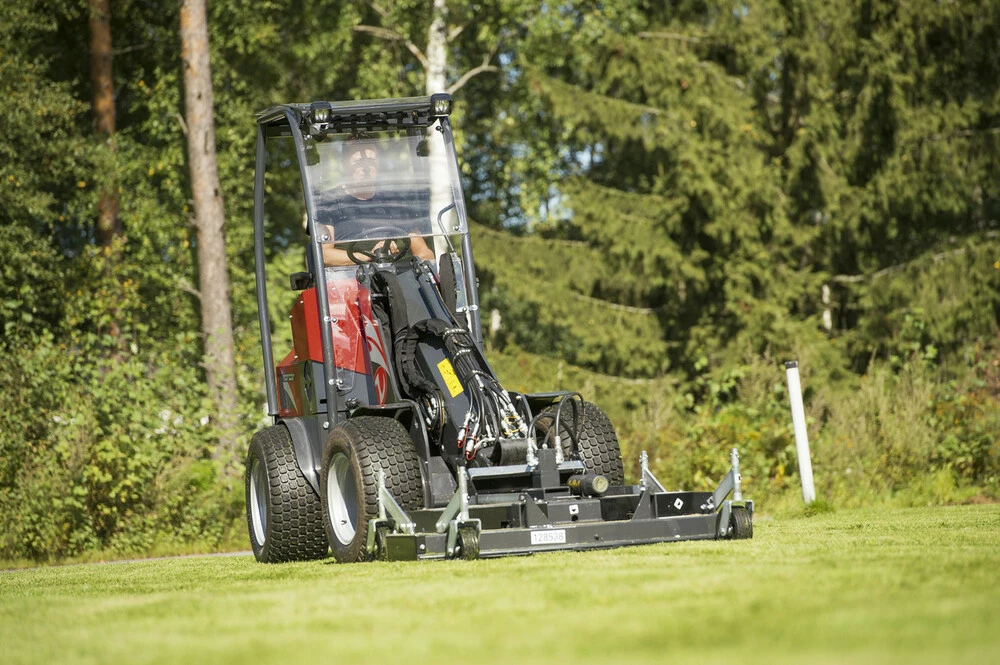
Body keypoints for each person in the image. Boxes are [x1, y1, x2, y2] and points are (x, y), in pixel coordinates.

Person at [319, 142, 435, 267]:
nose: (366, 168)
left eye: (371, 161)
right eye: (358, 162)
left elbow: (423, 250)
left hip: (397, 274)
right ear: (345, 165)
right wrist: (371, 255)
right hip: (349, 276)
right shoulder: (329, 202)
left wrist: (424, 264)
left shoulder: (394, 201)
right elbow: (325, 255)